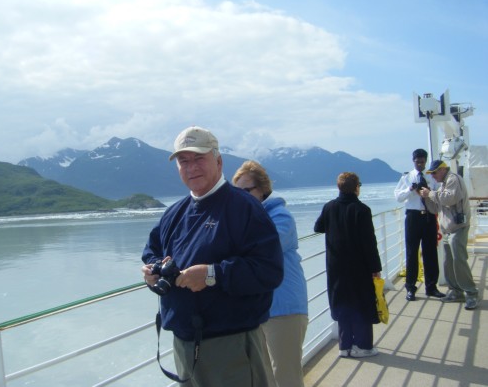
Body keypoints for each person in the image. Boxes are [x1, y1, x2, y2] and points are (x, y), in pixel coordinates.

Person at [141, 126, 284, 387]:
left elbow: (269, 270)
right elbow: (152, 251)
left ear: (218, 161)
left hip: (231, 347)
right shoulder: (174, 213)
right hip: (183, 346)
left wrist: (212, 275)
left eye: (199, 158)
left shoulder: (244, 207)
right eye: (184, 161)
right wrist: (152, 270)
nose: (191, 167)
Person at [232, 160, 308, 387]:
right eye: (237, 192)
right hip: (259, 309)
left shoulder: (281, 217)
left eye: (247, 190)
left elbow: (265, 248)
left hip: (285, 308)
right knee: (263, 376)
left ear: (263, 190)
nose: (242, 196)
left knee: (286, 377)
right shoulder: (245, 220)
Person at [314, 172, 382, 358]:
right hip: (359, 266)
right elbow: (370, 242)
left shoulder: (329, 207)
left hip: (336, 266)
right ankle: (363, 346)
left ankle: (344, 346)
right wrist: (375, 267)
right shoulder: (362, 210)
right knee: (361, 303)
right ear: (356, 188)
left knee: (342, 302)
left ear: (339, 187)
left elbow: (318, 227)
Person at [420, 160, 479, 310]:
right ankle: (455, 291)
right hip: (447, 229)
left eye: (434, 173)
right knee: (447, 262)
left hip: (458, 228)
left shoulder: (453, 179)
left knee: (459, 260)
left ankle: (471, 293)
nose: (432, 176)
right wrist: (426, 197)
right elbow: (435, 209)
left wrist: (431, 193)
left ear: (442, 170)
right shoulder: (442, 185)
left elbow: (449, 198)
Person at [394, 148, 445, 301]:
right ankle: (411, 288)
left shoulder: (431, 177)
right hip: (413, 217)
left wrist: (429, 192)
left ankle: (431, 287)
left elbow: (439, 194)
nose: (420, 164)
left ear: (426, 161)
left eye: (422, 162)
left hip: (428, 216)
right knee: (411, 253)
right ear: (413, 161)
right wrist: (411, 189)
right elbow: (398, 197)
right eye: (418, 162)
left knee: (430, 252)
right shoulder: (407, 177)